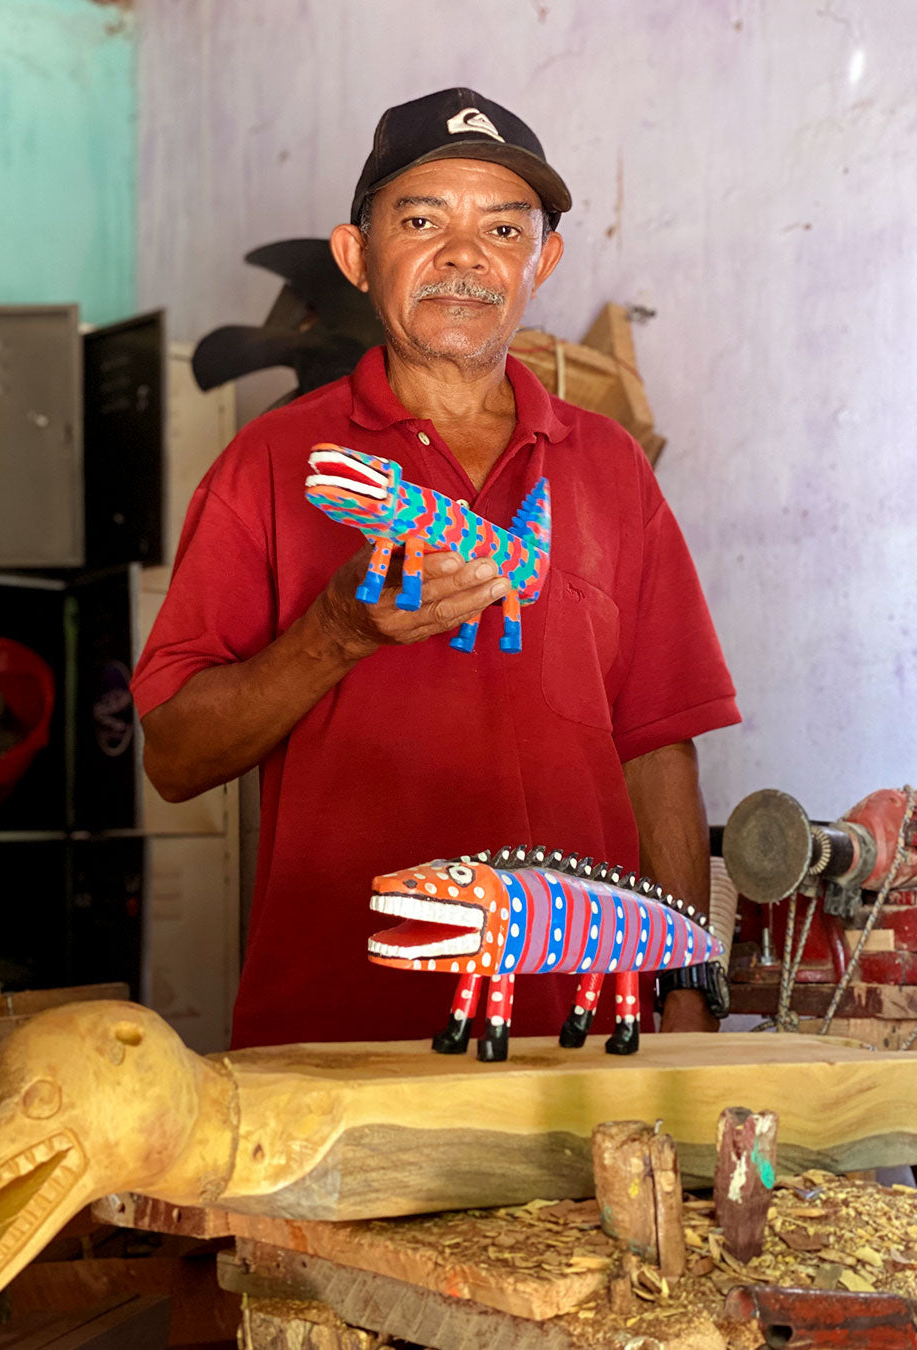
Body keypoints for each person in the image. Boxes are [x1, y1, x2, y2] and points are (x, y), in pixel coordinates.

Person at [133, 88, 740, 1051]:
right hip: (332, 1033)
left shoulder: (612, 467)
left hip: (581, 1034)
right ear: (357, 256)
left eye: (503, 228)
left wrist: (687, 988)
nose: (465, 256)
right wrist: (334, 638)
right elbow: (171, 757)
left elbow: (659, 744)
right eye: (422, 220)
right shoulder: (271, 464)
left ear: (540, 263)